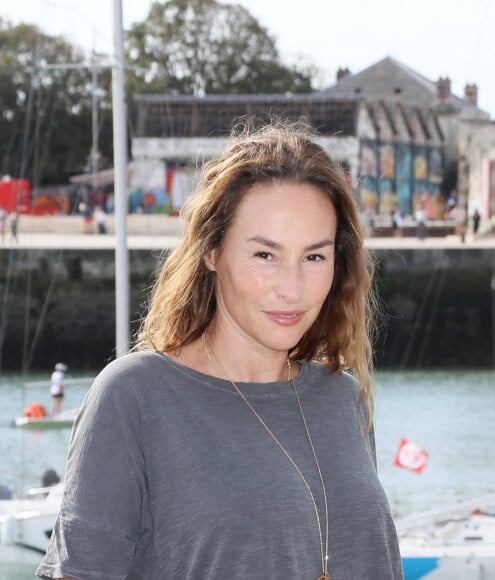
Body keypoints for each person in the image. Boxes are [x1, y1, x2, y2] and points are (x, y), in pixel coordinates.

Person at [36, 120, 403, 580]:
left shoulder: (343, 398)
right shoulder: (135, 397)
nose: (292, 289)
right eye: (265, 255)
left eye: (314, 256)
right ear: (212, 250)